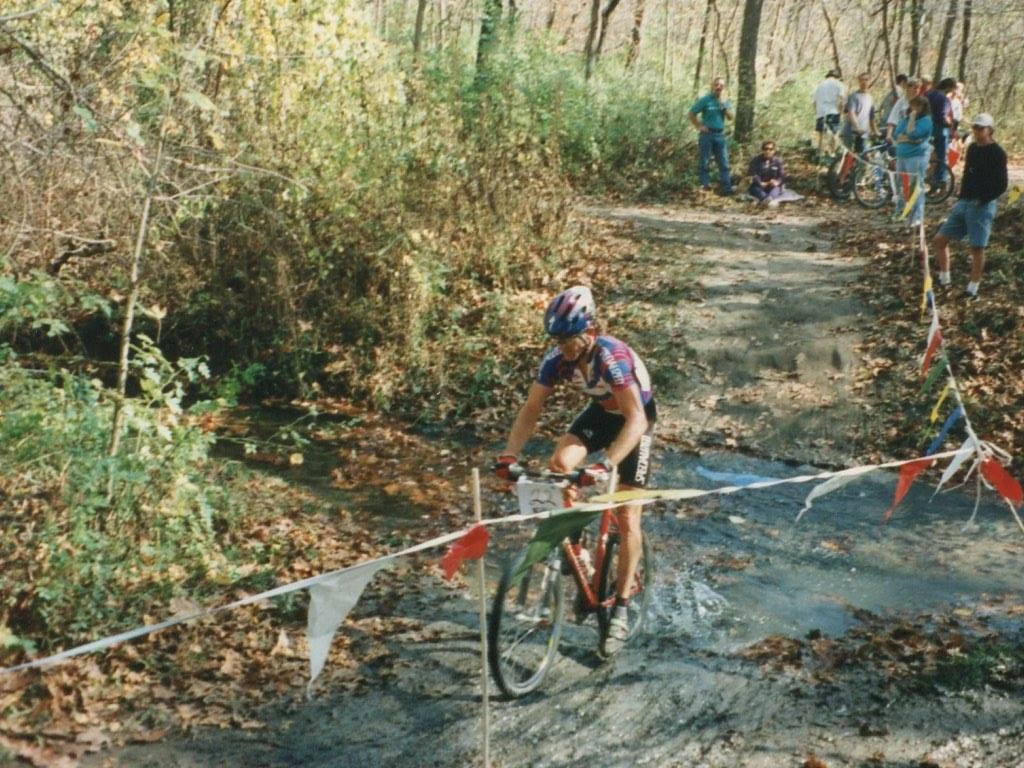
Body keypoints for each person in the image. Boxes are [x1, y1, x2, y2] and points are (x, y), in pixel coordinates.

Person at [493, 286, 656, 658]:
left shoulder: (610, 356)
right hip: (602, 413)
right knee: (561, 465)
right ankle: (578, 549)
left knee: (628, 516)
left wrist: (605, 464)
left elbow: (635, 420)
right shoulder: (557, 360)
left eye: (569, 339)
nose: (563, 347)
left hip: (636, 422)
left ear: (591, 329)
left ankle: (622, 608)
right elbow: (532, 408)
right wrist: (508, 455)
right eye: (557, 340)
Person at [934, 113, 1008, 300]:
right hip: (965, 202)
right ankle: (944, 279)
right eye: (975, 127)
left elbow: (1001, 184)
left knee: (977, 248)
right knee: (940, 239)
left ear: (990, 130)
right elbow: (968, 174)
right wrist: (961, 196)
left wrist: (982, 199)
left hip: (982, 205)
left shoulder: (997, 152)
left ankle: (972, 289)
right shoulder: (973, 148)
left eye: (980, 128)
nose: (977, 131)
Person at [689, 77, 734, 195]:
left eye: (721, 85)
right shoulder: (705, 100)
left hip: (720, 135)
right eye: (716, 85)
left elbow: (730, 117)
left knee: (724, 162)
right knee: (704, 161)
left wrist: (723, 106)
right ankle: (705, 187)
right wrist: (699, 126)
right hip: (706, 135)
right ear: (712, 86)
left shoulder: (726, 101)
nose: (719, 87)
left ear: (724, 88)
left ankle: (727, 189)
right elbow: (691, 113)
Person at [892, 95, 933, 227]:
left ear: (923, 107)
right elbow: (896, 135)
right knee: (900, 185)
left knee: (915, 186)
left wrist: (912, 120)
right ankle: (901, 212)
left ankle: (916, 216)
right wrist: (909, 139)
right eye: (913, 105)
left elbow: (912, 134)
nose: (914, 108)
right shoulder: (905, 119)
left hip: (916, 157)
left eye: (918, 106)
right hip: (902, 156)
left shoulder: (926, 121)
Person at [926, 78, 955, 183]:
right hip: (940, 130)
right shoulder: (944, 99)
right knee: (941, 156)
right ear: (947, 87)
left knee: (930, 154)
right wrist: (949, 124)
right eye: (952, 89)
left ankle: (930, 175)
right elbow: (942, 116)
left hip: (926, 128)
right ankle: (938, 179)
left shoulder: (928, 94)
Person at [813, 69, 846, 156]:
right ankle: (832, 154)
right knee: (834, 134)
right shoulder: (839, 84)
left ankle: (820, 153)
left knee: (821, 134)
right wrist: (841, 112)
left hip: (821, 113)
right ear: (837, 77)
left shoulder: (819, 85)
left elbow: (814, 102)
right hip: (833, 112)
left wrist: (817, 113)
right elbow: (841, 99)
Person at [842, 72, 876, 154]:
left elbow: (871, 117)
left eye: (866, 80)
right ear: (859, 81)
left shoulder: (870, 98)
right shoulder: (854, 96)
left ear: (869, 81)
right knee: (848, 157)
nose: (864, 82)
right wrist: (857, 127)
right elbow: (851, 113)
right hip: (851, 132)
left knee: (862, 158)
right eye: (862, 80)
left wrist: (875, 131)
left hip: (863, 134)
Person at [747, 140, 785, 206]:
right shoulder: (755, 160)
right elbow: (751, 174)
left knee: (774, 192)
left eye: (770, 149)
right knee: (758, 192)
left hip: (772, 186)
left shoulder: (778, 161)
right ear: (762, 150)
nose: (768, 151)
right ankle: (765, 200)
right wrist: (760, 182)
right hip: (758, 185)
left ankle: (768, 200)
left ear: (774, 150)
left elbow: (782, 176)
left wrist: (777, 182)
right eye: (765, 149)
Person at [885, 76, 921, 142]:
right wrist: (888, 135)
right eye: (915, 88)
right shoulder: (901, 101)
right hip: (902, 134)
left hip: (917, 135)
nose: (917, 90)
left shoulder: (921, 102)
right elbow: (892, 118)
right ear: (908, 88)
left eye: (918, 88)